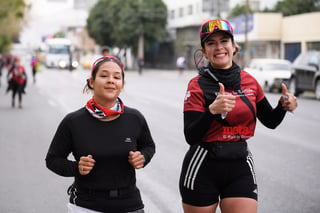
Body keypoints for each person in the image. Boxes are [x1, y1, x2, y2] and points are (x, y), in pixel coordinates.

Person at [179, 19, 298, 213]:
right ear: (204, 50)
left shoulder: (249, 81)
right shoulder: (197, 85)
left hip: (239, 165)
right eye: (211, 43)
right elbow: (190, 136)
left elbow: (270, 121)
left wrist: (283, 106)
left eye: (224, 41)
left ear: (234, 46)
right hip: (202, 166)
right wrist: (211, 112)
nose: (219, 47)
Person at [45, 56, 155, 213]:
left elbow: (149, 146)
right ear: (91, 82)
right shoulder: (73, 121)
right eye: (104, 76)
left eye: (117, 77)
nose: (111, 80)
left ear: (122, 85)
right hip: (86, 206)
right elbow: (52, 159)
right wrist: (76, 167)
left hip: (129, 204)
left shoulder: (135, 118)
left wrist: (143, 157)